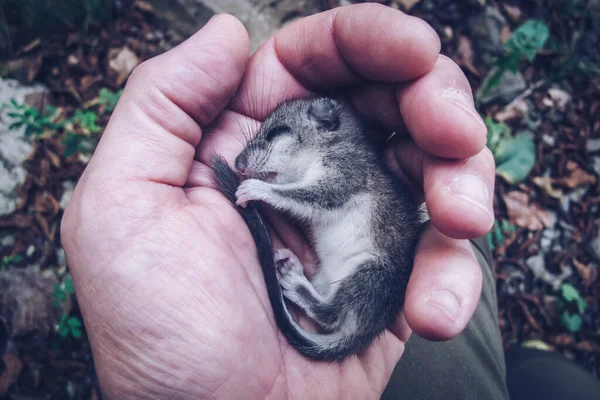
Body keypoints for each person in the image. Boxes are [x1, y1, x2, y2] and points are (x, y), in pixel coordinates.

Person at [61, 4, 503, 399]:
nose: (252, 155)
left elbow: (328, 199)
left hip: (358, 282)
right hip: (340, 283)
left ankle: (316, 306)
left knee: (395, 264)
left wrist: (268, 191)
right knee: (462, 246)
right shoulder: (334, 156)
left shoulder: (345, 162)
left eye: (273, 136)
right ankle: (314, 301)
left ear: (323, 127)